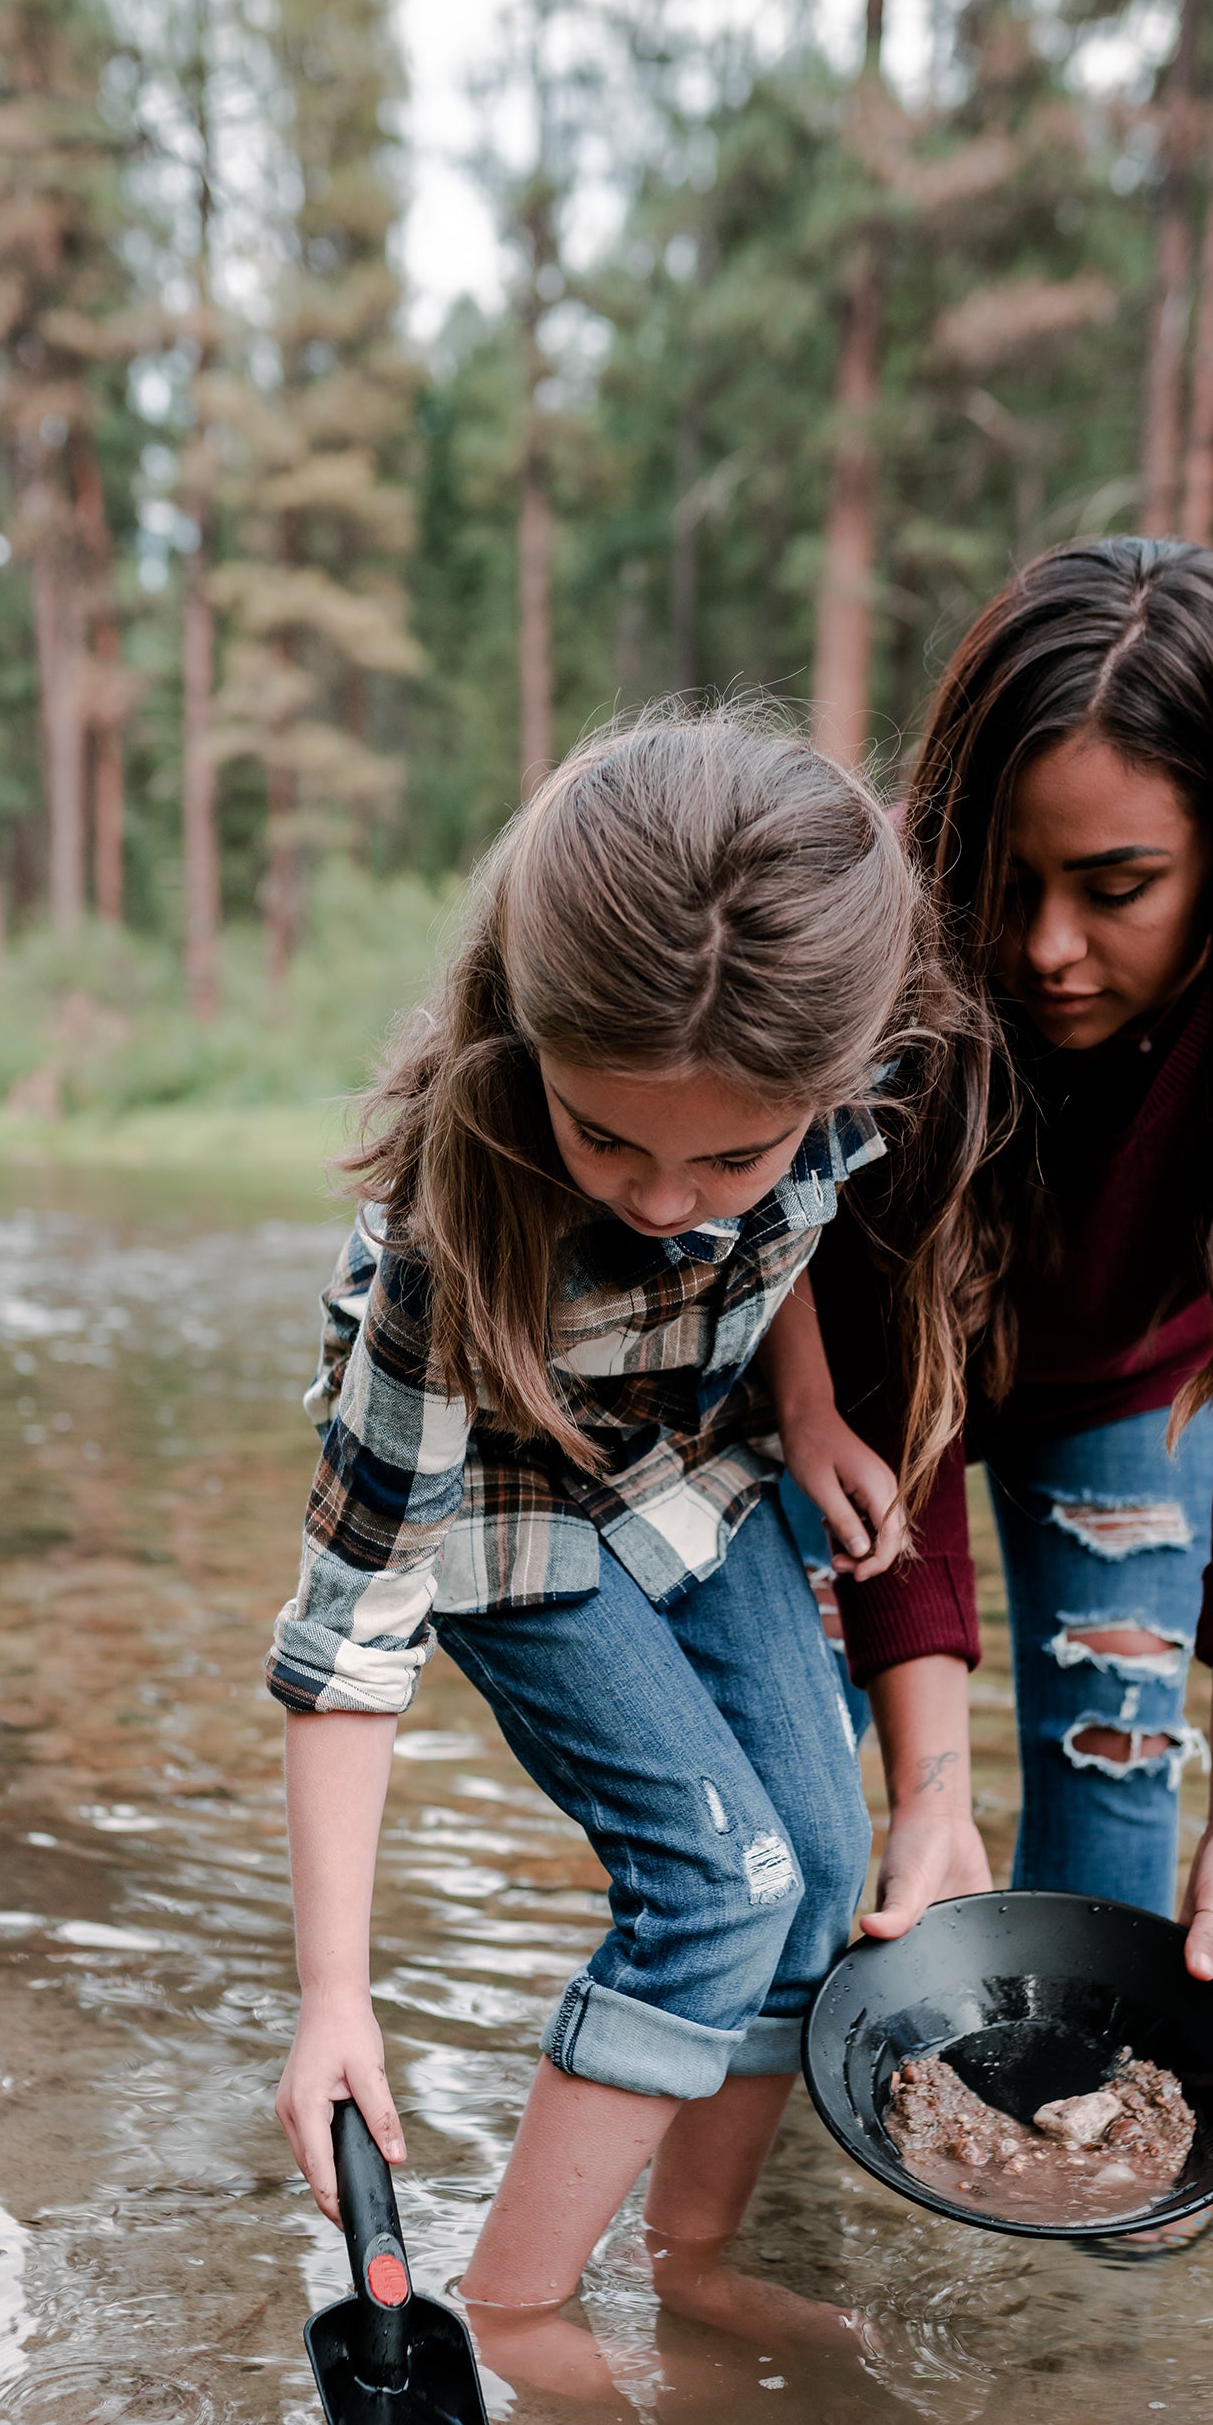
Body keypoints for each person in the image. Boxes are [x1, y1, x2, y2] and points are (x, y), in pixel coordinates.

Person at [269, 711, 990, 2319]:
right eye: (606, 1139)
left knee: (811, 1861)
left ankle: (693, 2258)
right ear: (527, 1042)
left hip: (684, 1456)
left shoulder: (850, 1080)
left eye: (730, 1154)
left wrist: (803, 1408)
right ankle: (515, 2315)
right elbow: (350, 1629)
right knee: (714, 1886)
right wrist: (336, 1997)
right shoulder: (438, 1253)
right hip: (496, 1492)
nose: (666, 1203)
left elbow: (784, 1240)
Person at [768, 536, 1213, 2007]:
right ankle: (781, 2180)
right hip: (869, 1392)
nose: (1044, 948)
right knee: (807, 1828)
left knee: (1119, 1849)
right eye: (1006, 880)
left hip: (1129, 1389)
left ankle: (1080, 2198)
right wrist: (932, 1791)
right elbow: (892, 1390)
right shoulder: (882, 937)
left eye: (1117, 886)